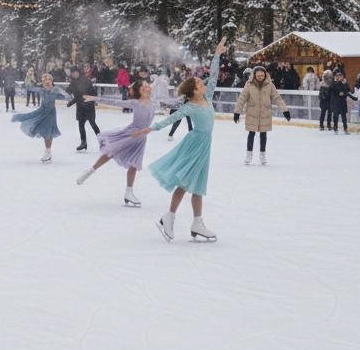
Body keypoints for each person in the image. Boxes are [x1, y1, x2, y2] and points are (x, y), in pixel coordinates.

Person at [131, 38, 228, 243]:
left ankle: (197, 222)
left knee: (198, 185)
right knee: (184, 182)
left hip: (205, 145)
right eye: (199, 84)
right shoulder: (189, 106)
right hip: (194, 145)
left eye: (201, 82)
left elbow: (213, 79)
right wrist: (149, 129)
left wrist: (217, 55)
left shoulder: (208, 98)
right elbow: (170, 119)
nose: (202, 84)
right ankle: (169, 217)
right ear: (193, 91)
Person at [76, 80, 160, 206]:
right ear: (139, 90)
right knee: (111, 152)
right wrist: (95, 98)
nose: (148, 88)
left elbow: (170, 101)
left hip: (142, 137)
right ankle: (91, 170)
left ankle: (129, 192)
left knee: (134, 164)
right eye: (144, 86)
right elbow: (115, 102)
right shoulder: (135, 103)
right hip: (131, 134)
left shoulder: (153, 103)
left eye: (148, 86)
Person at [233, 65, 291, 164]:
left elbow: (277, 98)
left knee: (263, 134)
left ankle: (262, 154)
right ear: (255, 75)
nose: (260, 77)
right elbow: (242, 99)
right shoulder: (249, 85)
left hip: (265, 113)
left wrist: (285, 110)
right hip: (252, 113)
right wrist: (237, 112)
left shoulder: (270, 85)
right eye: (258, 75)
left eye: (262, 75)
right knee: (251, 134)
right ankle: (249, 153)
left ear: (265, 75)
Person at [11, 73, 69, 162]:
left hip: (51, 112)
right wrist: (28, 79)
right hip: (42, 111)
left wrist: (71, 98)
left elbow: (66, 96)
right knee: (44, 130)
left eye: (48, 80)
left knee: (49, 131)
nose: (47, 82)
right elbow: (29, 87)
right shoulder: (42, 90)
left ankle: (48, 151)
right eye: (44, 81)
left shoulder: (56, 89)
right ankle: (48, 151)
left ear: (51, 81)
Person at [66, 67, 101, 151]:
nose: (74, 74)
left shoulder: (86, 81)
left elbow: (93, 93)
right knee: (81, 125)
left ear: (79, 72)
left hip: (88, 106)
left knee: (93, 124)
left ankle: (102, 141)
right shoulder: (73, 83)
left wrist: (92, 100)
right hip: (80, 107)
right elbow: (69, 92)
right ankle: (83, 142)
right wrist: (70, 102)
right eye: (73, 73)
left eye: (76, 73)